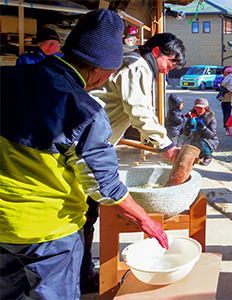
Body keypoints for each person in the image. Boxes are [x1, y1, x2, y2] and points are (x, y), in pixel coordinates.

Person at [0, 9, 168, 299]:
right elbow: (104, 186)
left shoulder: (7, 77)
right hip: (48, 233)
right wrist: (145, 219)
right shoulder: (84, 111)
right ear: (100, 69)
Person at [86, 32, 185, 291]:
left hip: (92, 136)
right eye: (170, 63)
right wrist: (165, 145)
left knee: (85, 211)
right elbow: (139, 110)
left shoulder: (132, 61)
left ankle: (82, 269)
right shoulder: (137, 65)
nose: (167, 70)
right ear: (156, 52)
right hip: (86, 140)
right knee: (85, 211)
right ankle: (82, 274)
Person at [182, 98, 219, 166]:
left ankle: (207, 156)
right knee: (186, 144)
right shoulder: (192, 116)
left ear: (206, 108)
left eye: (201, 108)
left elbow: (212, 135)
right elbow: (185, 134)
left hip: (207, 140)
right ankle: (197, 155)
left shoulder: (210, 118)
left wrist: (204, 128)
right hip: (194, 138)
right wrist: (188, 128)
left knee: (201, 142)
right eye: (197, 108)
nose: (199, 110)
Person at [218, 67, 232, 135]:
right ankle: (227, 128)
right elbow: (221, 87)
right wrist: (228, 91)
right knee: (226, 114)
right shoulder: (223, 79)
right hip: (226, 99)